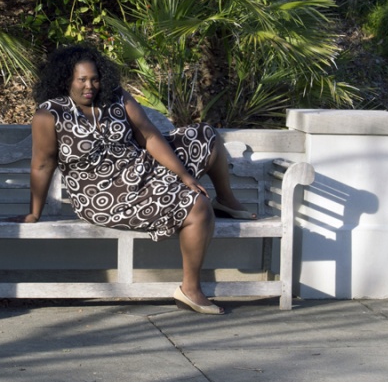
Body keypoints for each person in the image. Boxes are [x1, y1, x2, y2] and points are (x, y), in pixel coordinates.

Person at [20, 45, 254, 315]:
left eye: (94, 78)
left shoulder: (116, 97)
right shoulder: (50, 114)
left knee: (204, 134)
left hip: (142, 170)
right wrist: (33, 213)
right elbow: (42, 164)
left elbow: (150, 136)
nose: (90, 86)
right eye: (81, 79)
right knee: (197, 206)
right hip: (102, 196)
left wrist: (184, 176)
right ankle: (190, 290)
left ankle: (225, 200)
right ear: (65, 79)